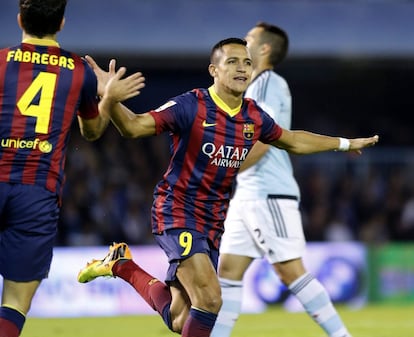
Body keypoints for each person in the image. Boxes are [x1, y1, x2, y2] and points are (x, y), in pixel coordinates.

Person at [77, 37, 378, 337]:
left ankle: (121, 266)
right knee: (210, 299)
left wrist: (344, 143)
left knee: (181, 319)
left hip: (213, 219)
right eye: (232, 62)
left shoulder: (253, 116)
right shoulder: (190, 105)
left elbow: (294, 140)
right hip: (177, 209)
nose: (242, 68)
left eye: (247, 62)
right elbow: (134, 126)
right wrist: (109, 98)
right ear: (214, 70)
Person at [0, 1, 142, 336]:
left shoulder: (2, 61)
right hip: (37, 192)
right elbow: (92, 132)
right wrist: (107, 97)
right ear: (61, 23)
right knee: (16, 301)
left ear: (19, 18)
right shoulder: (78, 71)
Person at [210, 22, 353, 337]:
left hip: (267, 193)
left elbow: (262, 141)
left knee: (290, 272)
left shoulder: (266, 83)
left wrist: (223, 171)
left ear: (263, 49)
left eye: (249, 38)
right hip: (247, 195)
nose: (243, 41)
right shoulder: (254, 86)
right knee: (228, 273)